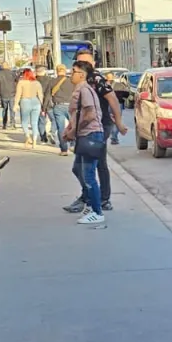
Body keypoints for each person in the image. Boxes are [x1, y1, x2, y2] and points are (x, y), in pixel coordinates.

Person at [61, 51, 125, 214]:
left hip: (98, 127)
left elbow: (111, 100)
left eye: (85, 63)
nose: (80, 66)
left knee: (96, 164)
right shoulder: (82, 85)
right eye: (78, 62)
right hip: (86, 129)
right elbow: (78, 111)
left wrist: (118, 122)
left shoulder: (96, 80)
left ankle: (99, 200)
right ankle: (90, 197)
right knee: (81, 167)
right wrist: (71, 128)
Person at [61, 60, 106, 226]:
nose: (70, 74)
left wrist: (74, 130)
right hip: (84, 135)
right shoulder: (79, 89)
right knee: (77, 169)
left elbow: (89, 114)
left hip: (91, 135)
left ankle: (97, 211)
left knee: (88, 175)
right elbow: (78, 114)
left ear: (81, 74)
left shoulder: (84, 89)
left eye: (73, 71)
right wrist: (70, 129)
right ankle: (90, 202)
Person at [46, 64, 75, 156]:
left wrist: (44, 108)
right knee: (73, 126)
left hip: (58, 106)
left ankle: (64, 150)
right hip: (71, 106)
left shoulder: (52, 81)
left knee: (60, 128)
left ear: (56, 71)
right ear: (65, 71)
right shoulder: (72, 81)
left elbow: (48, 96)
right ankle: (73, 144)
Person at [12, 67, 44, 148]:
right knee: (34, 123)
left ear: (24, 74)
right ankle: (34, 142)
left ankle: (28, 137)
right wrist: (42, 105)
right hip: (36, 102)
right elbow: (40, 95)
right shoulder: (37, 83)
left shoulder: (21, 82)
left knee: (24, 122)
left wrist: (16, 104)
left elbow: (18, 94)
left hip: (25, 101)